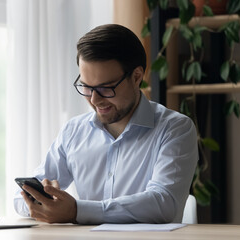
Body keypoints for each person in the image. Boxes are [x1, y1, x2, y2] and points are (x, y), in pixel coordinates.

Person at [14, 24, 198, 224]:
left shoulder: (175, 129)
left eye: (105, 88)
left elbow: (164, 204)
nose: (94, 100)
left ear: (137, 77)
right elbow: (20, 196)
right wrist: (40, 201)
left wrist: (77, 211)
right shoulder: (74, 131)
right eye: (86, 87)